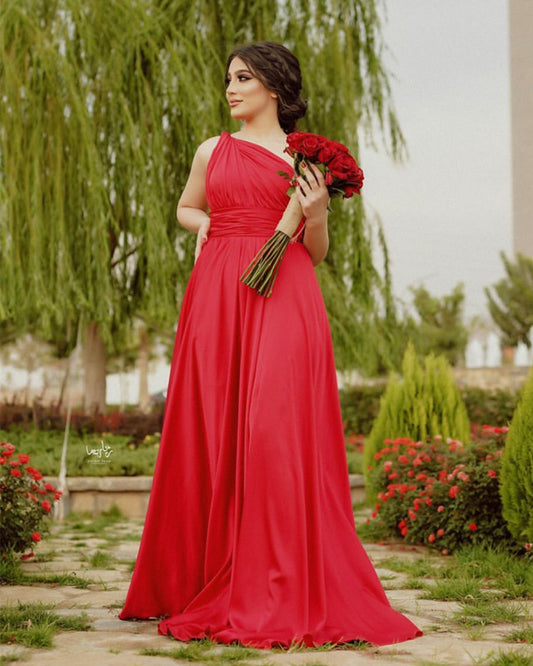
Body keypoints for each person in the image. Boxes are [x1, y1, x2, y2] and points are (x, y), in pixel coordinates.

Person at [119, 40, 422, 648]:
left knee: (272, 431)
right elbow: (185, 206)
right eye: (229, 78)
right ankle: (197, 575)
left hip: (284, 292)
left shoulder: (305, 160)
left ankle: (275, 580)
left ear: (276, 88)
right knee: (211, 425)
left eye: (244, 78)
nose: (231, 89)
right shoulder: (213, 149)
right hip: (217, 293)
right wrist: (204, 223)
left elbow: (315, 254)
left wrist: (316, 214)